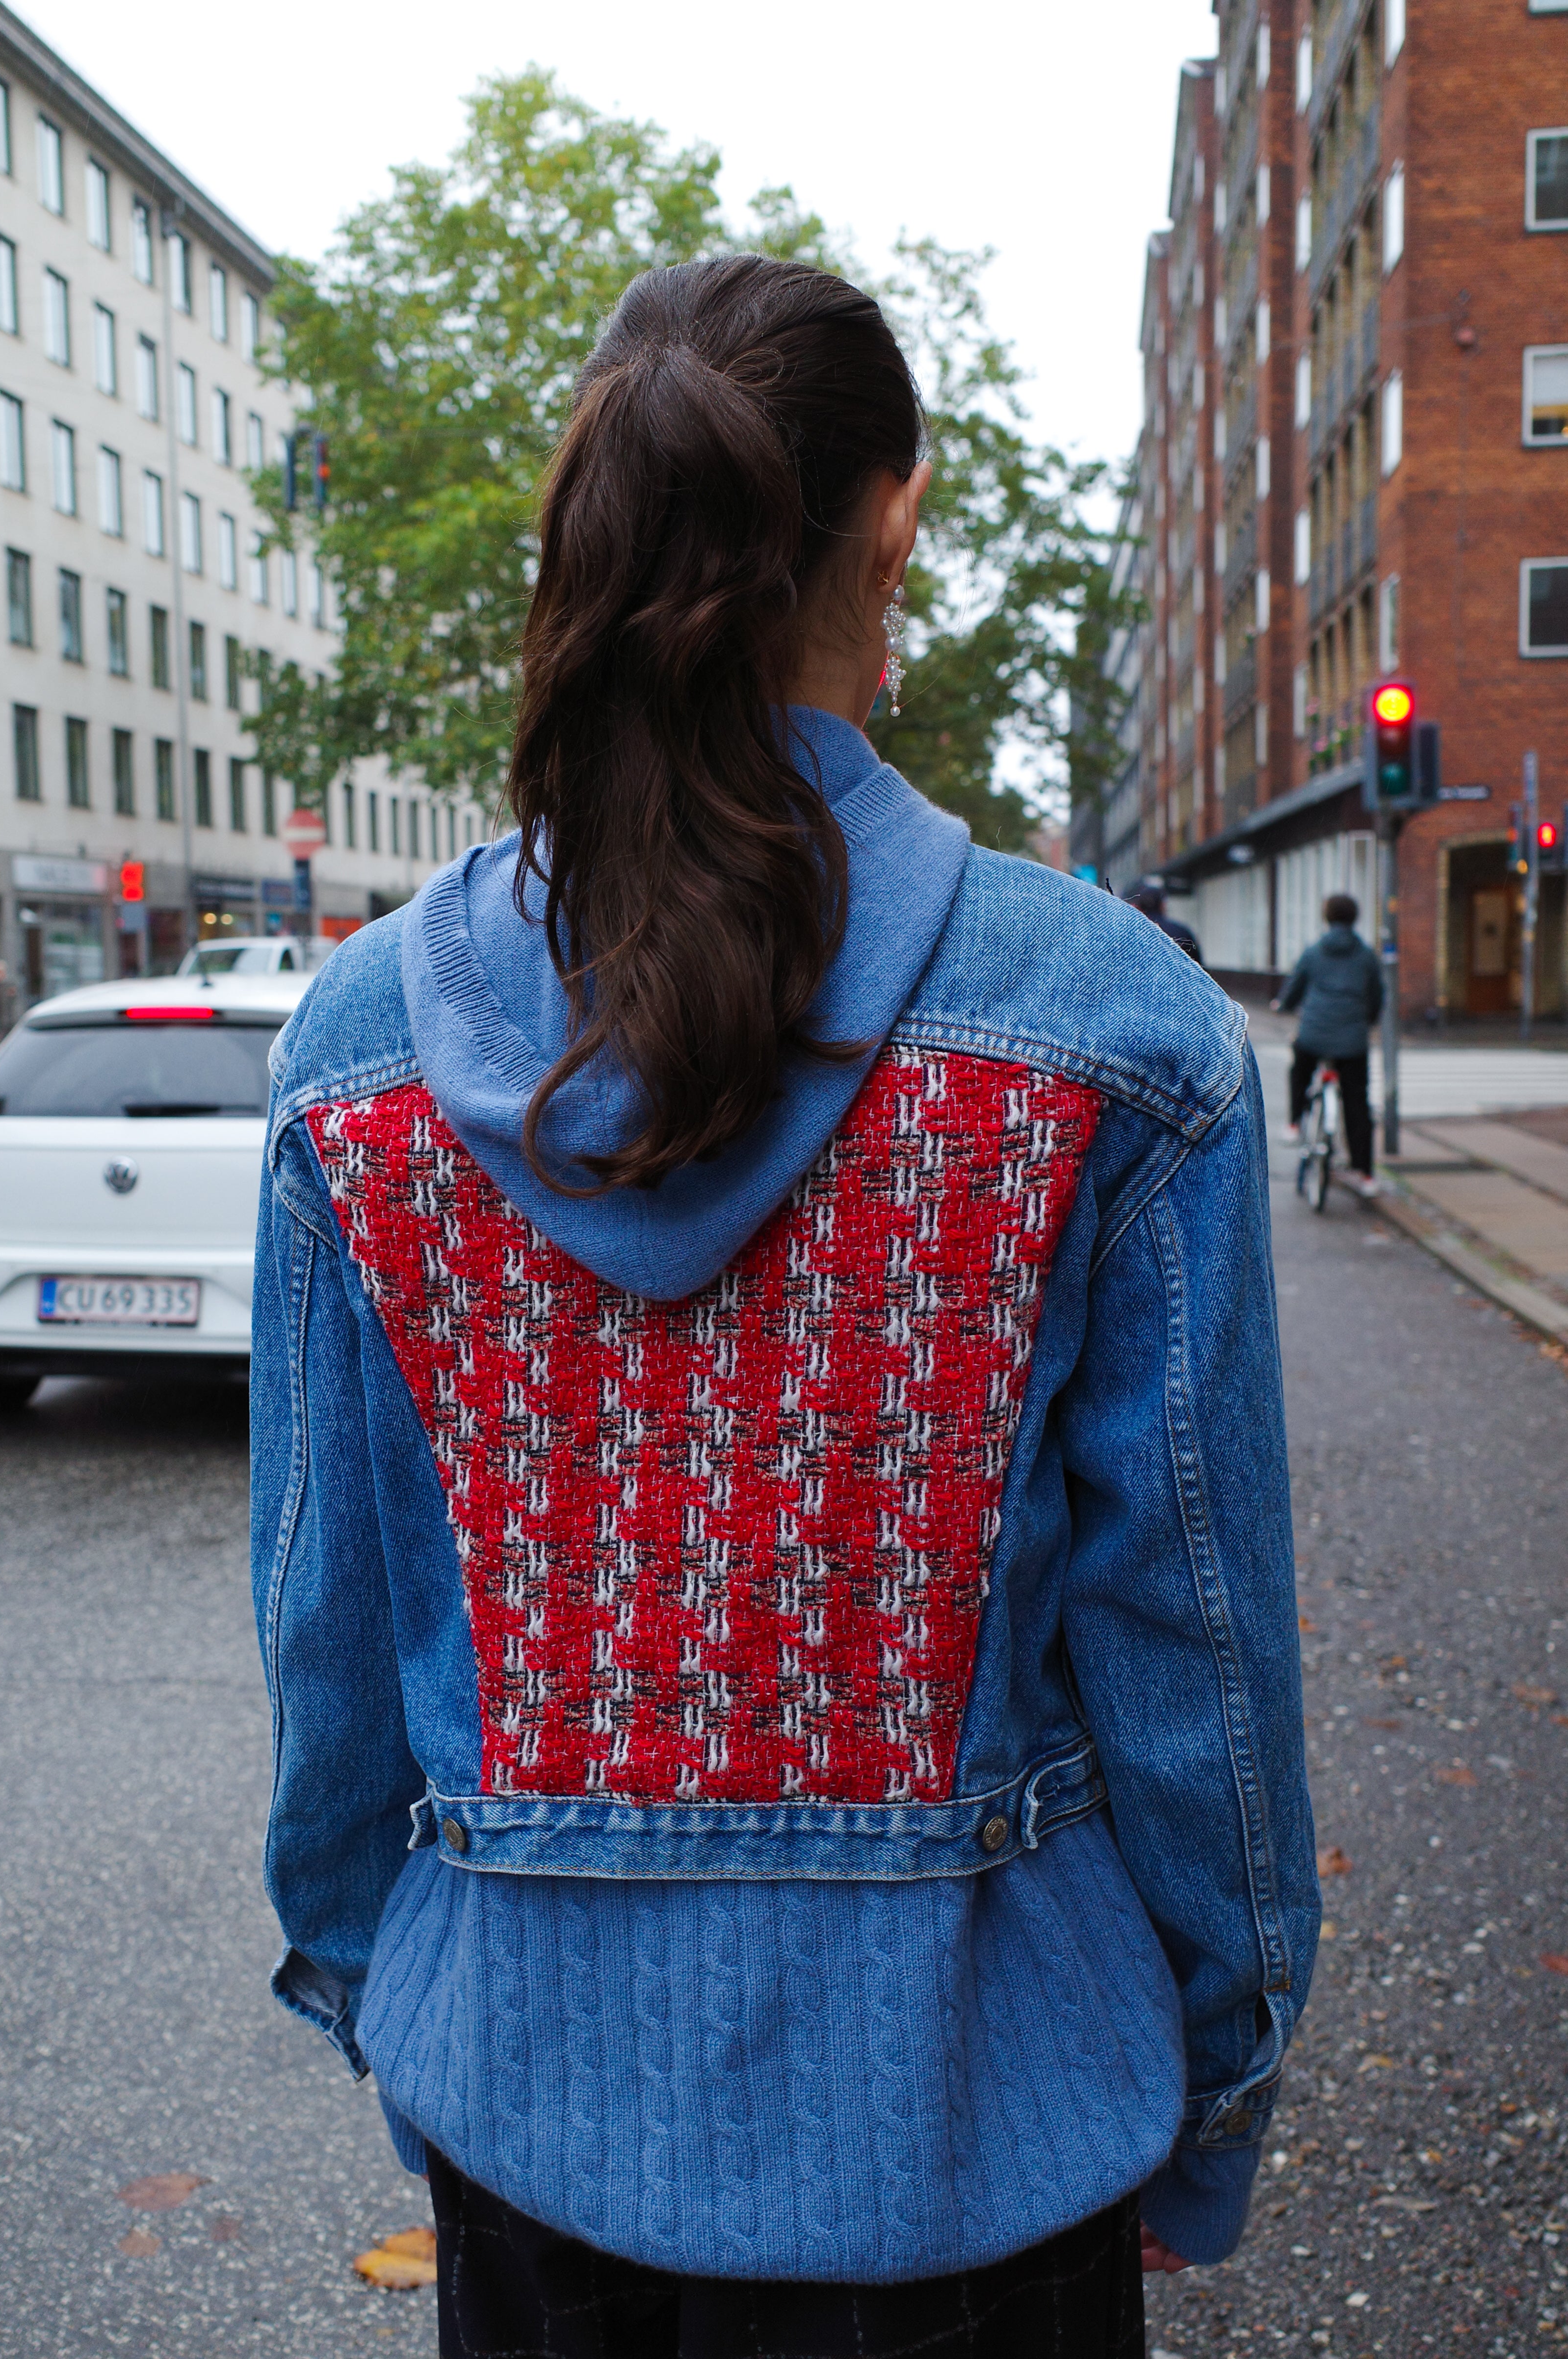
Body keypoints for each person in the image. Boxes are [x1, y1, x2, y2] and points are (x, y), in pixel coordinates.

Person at [252, 255, 1316, 2359]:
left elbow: (330, 1611)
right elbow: (1190, 1641)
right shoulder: (1108, 1030)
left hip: (528, 2126)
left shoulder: (358, 1052)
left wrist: (402, 1987)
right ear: (891, 520)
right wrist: (1216, 2065)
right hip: (981, 2138)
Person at [1274, 893, 1384, 1199]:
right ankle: (1365, 1174)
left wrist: (1282, 1004)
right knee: (1358, 1104)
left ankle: (1295, 1123)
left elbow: (1294, 988)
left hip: (1314, 1035)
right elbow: (1377, 996)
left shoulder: (1314, 952)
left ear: (1328, 918)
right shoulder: (1366, 957)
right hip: (1352, 1041)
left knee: (1300, 1069)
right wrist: (1369, 1019)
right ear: (1354, 919)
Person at [1126, 880, 1202, 964]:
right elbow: (1199, 967)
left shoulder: (1132, 934)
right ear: (1163, 905)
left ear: (1138, 906)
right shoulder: (1182, 932)